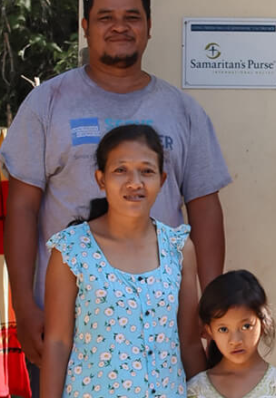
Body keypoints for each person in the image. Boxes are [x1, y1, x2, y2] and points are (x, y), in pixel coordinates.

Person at [0, 0, 230, 392]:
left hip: (163, 329)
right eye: (106, 17)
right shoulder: (47, 103)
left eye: (131, 17)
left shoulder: (183, 111)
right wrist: (23, 303)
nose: (119, 26)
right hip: (63, 323)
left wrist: (214, 309)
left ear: (150, 26)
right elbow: (21, 208)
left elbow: (205, 210)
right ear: (85, 26)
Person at [40, 124, 205, 398]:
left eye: (147, 171)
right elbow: (57, 343)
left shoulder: (178, 249)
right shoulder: (72, 251)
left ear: (162, 180)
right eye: (120, 170)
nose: (134, 182)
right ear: (101, 179)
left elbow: (189, 343)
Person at [186, 270, 276, 398]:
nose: (235, 340)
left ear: (263, 322)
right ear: (210, 331)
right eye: (223, 329)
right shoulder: (195, 389)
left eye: (246, 326)